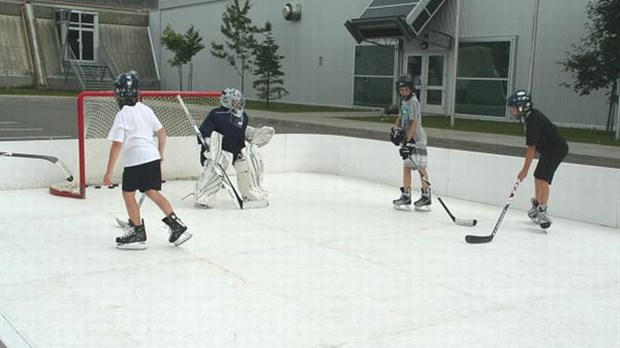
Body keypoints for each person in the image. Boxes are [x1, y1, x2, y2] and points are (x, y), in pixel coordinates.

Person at [103, 72, 192, 249]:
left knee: (128, 194)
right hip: (152, 158)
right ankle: (177, 226)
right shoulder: (146, 109)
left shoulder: (122, 114)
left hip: (135, 161)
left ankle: (137, 233)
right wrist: (160, 154)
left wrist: (108, 172)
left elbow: (117, 145)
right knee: (153, 192)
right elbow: (162, 132)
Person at [194, 88, 273, 209]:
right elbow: (204, 131)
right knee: (219, 164)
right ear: (227, 101)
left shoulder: (243, 116)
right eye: (235, 101)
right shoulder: (216, 114)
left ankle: (249, 192)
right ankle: (204, 196)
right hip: (219, 150)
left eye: (240, 101)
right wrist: (207, 143)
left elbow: (242, 131)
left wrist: (257, 134)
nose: (239, 104)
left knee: (246, 164)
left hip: (237, 149)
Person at [507, 90, 568, 229]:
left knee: (542, 178)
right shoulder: (530, 117)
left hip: (556, 150)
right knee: (538, 176)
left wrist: (524, 170)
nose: (512, 111)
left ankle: (542, 212)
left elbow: (531, 148)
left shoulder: (533, 121)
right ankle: (537, 204)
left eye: (513, 108)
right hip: (548, 150)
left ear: (522, 107)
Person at [390, 74, 431, 210]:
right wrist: (396, 129)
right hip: (408, 138)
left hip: (416, 139)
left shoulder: (413, 101)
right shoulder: (405, 101)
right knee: (407, 167)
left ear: (411, 89)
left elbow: (414, 123)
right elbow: (401, 116)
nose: (403, 92)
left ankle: (426, 195)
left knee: (420, 167)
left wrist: (408, 142)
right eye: (401, 90)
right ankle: (406, 195)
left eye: (405, 89)